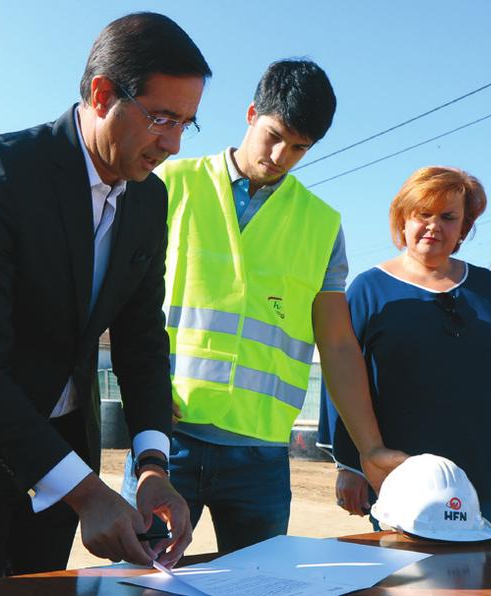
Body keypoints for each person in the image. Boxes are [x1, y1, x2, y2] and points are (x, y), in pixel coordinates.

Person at [0, 12, 210, 584]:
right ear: (102, 94)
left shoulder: (150, 202)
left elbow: (142, 341)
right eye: (161, 118)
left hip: (63, 452)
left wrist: (151, 465)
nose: (171, 144)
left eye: (186, 125)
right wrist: (86, 494)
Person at [121, 59, 370, 552]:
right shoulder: (169, 184)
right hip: (168, 439)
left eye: (300, 147)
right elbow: (118, 300)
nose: (281, 155)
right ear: (252, 112)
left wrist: (369, 446)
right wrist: (144, 400)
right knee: (142, 579)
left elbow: (338, 345)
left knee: (258, 585)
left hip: (260, 455)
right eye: (274, 135)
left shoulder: (322, 225)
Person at [318, 166, 491, 536]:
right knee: (409, 582)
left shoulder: (488, 287)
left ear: (464, 228)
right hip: (404, 478)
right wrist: (350, 466)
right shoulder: (367, 290)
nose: (433, 226)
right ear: (402, 219)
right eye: (423, 214)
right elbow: (341, 381)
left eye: (448, 217)